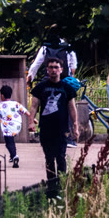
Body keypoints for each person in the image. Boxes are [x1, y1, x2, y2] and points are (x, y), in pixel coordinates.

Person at [30, 58, 81, 196]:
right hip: (46, 128)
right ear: (47, 69)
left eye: (56, 67)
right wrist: (30, 122)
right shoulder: (41, 87)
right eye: (51, 67)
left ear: (61, 69)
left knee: (61, 157)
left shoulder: (67, 88)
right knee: (49, 158)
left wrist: (75, 126)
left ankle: (62, 185)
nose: (53, 70)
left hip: (61, 129)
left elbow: (72, 108)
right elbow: (34, 106)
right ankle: (51, 187)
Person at [0, 85, 26, 168]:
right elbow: (25, 111)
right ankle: (12, 156)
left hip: (7, 127)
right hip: (17, 126)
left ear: (2, 96)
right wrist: (33, 119)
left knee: (9, 143)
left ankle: (14, 156)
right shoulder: (16, 104)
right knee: (11, 141)